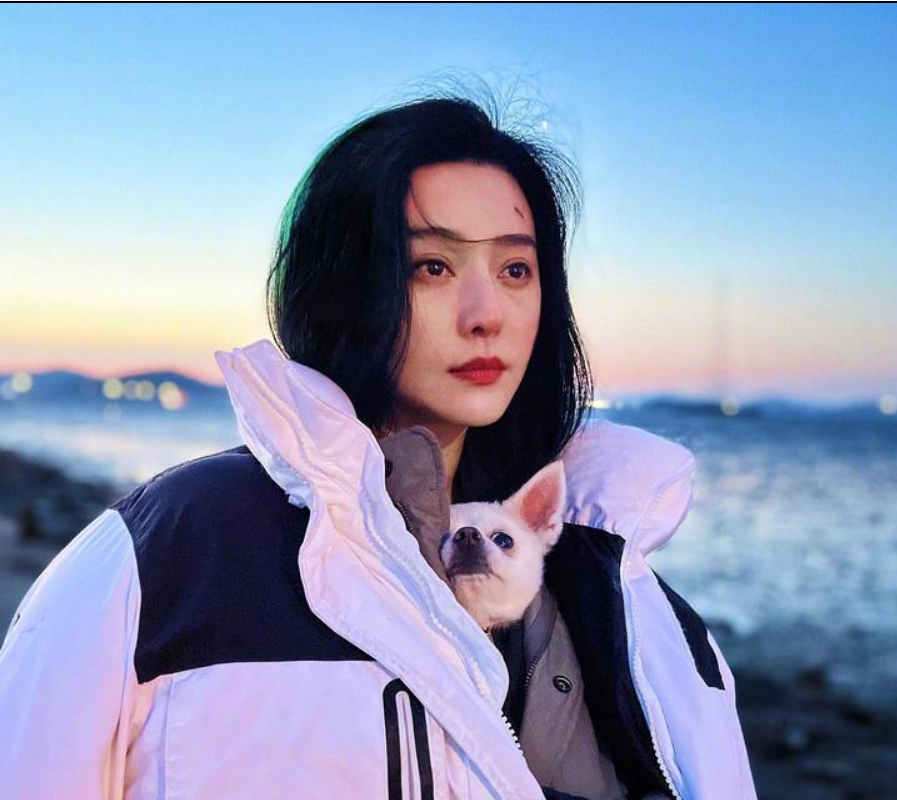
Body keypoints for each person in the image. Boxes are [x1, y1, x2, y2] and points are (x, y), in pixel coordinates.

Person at [0, 92, 757, 800]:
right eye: (432, 267)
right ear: (341, 286)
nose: (485, 314)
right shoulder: (168, 552)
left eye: (515, 269)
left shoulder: (629, 601)